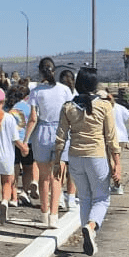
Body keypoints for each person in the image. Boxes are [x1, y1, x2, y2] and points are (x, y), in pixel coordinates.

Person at [52, 67, 120, 256]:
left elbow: (60, 138)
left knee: (85, 199)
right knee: (102, 199)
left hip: (75, 157)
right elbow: (111, 138)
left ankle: (86, 238)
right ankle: (91, 227)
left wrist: (58, 162)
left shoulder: (68, 107)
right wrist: (117, 163)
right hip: (96, 157)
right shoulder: (104, 106)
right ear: (94, 84)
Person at [25, 58, 73, 227]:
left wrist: (25, 141)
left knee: (44, 178)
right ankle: (54, 215)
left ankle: (44, 213)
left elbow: (32, 119)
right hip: (61, 133)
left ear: (40, 71)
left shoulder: (36, 91)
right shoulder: (65, 90)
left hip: (42, 134)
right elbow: (71, 112)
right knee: (57, 178)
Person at [0, 87, 28, 225]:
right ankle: (4, 202)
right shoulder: (8, 118)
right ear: (2, 101)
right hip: (7, 156)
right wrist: (23, 148)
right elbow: (15, 139)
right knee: (7, 184)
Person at [58, 69, 78, 211]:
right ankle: (71, 198)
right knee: (73, 169)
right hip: (75, 134)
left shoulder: (58, 93)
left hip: (60, 132)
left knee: (60, 166)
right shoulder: (76, 95)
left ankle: (58, 197)